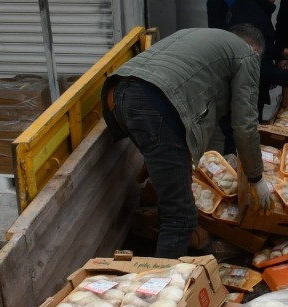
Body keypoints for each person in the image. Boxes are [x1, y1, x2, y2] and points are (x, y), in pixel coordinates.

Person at [102, 25, 273, 258]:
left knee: (172, 199)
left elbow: (204, 108)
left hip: (119, 94)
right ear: (255, 50)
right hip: (157, 106)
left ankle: (164, 257)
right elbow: (245, 126)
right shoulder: (247, 55)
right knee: (181, 217)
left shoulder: (200, 36)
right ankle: (161, 289)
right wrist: (256, 177)